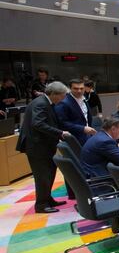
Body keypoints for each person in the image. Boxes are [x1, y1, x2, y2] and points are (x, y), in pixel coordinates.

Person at [16, 81, 70, 213]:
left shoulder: (44, 102)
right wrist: (60, 133)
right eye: (62, 96)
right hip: (37, 147)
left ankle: (47, 199)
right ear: (54, 94)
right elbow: (38, 124)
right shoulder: (40, 103)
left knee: (50, 172)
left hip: (43, 145)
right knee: (43, 176)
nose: (63, 99)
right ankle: (41, 205)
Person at [54, 79, 96, 146]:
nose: (79, 91)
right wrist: (83, 128)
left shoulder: (84, 99)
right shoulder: (63, 103)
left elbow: (86, 118)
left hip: (88, 136)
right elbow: (62, 123)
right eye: (76, 88)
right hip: (75, 138)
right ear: (70, 88)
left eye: (81, 88)